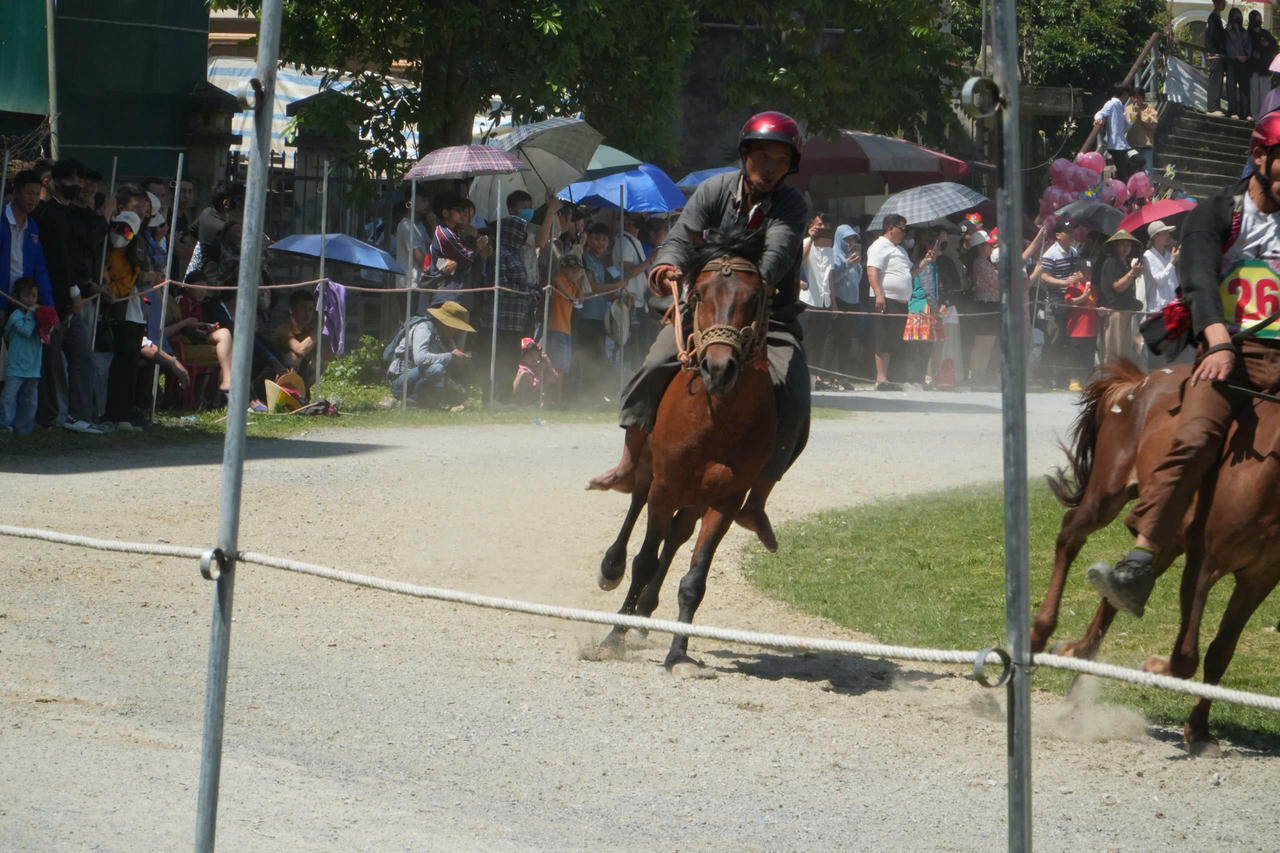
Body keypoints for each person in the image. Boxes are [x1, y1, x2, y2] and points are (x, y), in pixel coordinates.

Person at [587, 110, 810, 551]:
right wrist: (667, 263)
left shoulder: (792, 204)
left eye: (780, 162)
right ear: (745, 154)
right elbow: (680, 234)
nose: (769, 168)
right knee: (655, 361)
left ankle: (756, 500)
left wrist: (751, 285)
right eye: (762, 157)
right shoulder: (713, 190)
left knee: (795, 392)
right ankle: (630, 463)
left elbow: (780, 252)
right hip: (706, 306)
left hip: (767, 312)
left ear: (790, 167)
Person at [1088, 111, 1280, 617]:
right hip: (1228, 356)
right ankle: (1142, 558)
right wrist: (1216, 338)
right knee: (1193, 436)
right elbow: (1196, 276)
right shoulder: (1219, 212)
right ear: (1260, 157)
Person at [32, 158, 103, 433]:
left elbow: (76, 254)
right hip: (55, 300)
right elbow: (59, 260)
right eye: (72, 180)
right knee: (51, 362)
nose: (78, 185)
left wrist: (86, 283)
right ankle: (48, 418)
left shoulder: (68, 214)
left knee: (81, 358)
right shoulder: (50, 214)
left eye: (79, 180)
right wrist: (73, 291)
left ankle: (79, 415)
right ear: (55, 182)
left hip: (72, 297)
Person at [386, 300, 474, 406]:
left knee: (450, 378)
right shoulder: (424, 328)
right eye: (454, 327)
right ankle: (414, 400)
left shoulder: (446, 338)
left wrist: (461, 360)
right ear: (445, 323)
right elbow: (421, 359)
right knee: (437, 369)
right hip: (401, 381)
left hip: (419, 378)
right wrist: (451, 356)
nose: (456, 331)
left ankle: (430, 400)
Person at [866, 213, 919, 390]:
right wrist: (879, 294)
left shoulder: (900, 249)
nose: (905, 233)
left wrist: (925, 263)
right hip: (885, 298)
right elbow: (872, 271)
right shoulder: (879, 245)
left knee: (895, 340)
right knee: (883, 338)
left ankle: (889, 377)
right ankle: (880, 378)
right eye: (902, 229)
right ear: (891, 228)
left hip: (901, 301)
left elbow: (908, 274)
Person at [1, 170, 55, 311]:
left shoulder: (32, 227)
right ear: (16, 192)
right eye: (29, 193)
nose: (34, 199)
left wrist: (49, 306)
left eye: (37, 194)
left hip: (22, 306)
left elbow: (39, 267)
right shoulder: (1, 219)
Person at [1, 278, 44, 433]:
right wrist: (33, 316)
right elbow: (26, 331)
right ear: (18, 298)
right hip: (16, 365)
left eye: (34, 296)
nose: (31, 300)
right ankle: (5, 425)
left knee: (30, 400)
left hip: (33, 366)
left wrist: (44, 318)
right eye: (26, 296)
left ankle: (24, 428)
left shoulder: (40, 317)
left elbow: (47, 334)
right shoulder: (16, 316)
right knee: (8, 397)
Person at [1094, 230, 1143, 363]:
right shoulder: (1111, 262)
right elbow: (1118, 287)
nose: (1126, 247)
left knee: (1124, 353)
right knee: (1113, 352)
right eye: (1122, 244)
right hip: (1115, 311)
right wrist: (1132, 273)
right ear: (1115, 246)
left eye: (1128, 244)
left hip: (1126, 310)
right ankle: (1109, 381)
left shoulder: (1126, 262)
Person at [799, 213, 836, 387]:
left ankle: (820, 377)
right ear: (811, 226)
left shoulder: (829, 248)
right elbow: (799, 261)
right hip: (808, 300)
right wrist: (812, 238)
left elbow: (829, 277)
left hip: (824, 300)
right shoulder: (806, 243)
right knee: (807, 340)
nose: (823, 229)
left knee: (822, 341)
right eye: (819, 225)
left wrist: (833, 302)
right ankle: (805, 376)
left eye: (826, 227)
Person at [829, 224, 867, 379]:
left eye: (853, 240)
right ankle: (831, 375)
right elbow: (834, 278)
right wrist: (847, 265)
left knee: (848, 339)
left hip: (853, 302)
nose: (850, 243)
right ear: (839, 239)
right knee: (836, 338)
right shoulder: (834, 254)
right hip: (839, 300)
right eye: (847, 239)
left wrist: (857, 266)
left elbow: (857, 279)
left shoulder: (851, 255)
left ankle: (843, 375)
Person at [964, 229, 1001, 386]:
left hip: (991, 304)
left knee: (988, 343)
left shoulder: (986, 263)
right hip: (984, 305)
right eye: (987, 245)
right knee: (981, 344)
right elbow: (997, 283)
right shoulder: (980, 262)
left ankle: (980, 376)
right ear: (980, 246)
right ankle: (976, 376)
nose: (990, 248)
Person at [545, 248, 584, 382]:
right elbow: (556, 278)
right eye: (573, 270)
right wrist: (571, 297)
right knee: (556, 368)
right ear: (564, 269)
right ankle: (553, 398)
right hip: (557, 328)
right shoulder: (561, 279)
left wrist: (577, 281)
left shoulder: (571, 285)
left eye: (578, 270)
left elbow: (580, 296)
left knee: (561, 368)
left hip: (565, 330)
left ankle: (557, 399)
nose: (576, 272)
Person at [271, 289, 323, 383]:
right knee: (294, 358)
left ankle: (303, 392)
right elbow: (300, 350)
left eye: (310, 309)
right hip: (276, 378)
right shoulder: (284, 330)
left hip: (299, 380)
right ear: (292, 309)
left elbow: (325, 356)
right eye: (303, 308)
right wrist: (318, 332)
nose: (307, 313)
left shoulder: (308, 333)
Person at [1062, 272, 1098, 393]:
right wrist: (1084, 296)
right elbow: (1069, 301)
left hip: (1091, 329)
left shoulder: (1094, 287)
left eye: (1089, 270)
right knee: (1075, 356)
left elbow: (1095, 304)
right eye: (1083, 271)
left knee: (1088, 357)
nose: (1087, 274)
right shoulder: (1073, 285)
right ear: (1078, 273)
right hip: (1076, 329)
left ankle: (1086, 381)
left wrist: (1100, 310)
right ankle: (1073, 381)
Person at [1092, 84, 1135, 182]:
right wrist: (1098, 119)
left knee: (1131, 165)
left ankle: (1122, 187)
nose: (1127, 97)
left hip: (1122, 145)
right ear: (1124, 94)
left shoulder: (1120, 106)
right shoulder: (1112, 104)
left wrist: (1133, 117)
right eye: (1127, 94)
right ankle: (1121, 191)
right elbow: (1100, 113)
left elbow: (1126, 127)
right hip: (1115, 145)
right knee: (1123, 172)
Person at [394, 185, 429, 292]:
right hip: (407, 285)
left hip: (417, 282)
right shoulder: (406, 226)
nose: (427, 204)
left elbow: (430, 247)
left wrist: (433, 225)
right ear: (411, 202)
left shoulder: (420, 225)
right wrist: (435, 271)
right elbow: (420, 258)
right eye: (423, 201)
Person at [1142, 220, 1180, 313]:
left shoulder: (1168, 255)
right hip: (1158, 308)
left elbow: (1173, 281)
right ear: (1156, 236)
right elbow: (1159, 280)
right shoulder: (1148, 256)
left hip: (1173, 305)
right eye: (1165, 233)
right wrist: (1172, 262)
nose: (1168, 235)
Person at [1248, 11, 1279, 121]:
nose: (1259, 20)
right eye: (1257, 18)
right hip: (1253, 69)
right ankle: (1255, 115)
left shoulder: (1266, 34)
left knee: (1265, 94)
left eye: (1260, 18)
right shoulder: (1248, 34)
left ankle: (1264, 115)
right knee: (1254, 93)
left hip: (1265, 69)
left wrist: (1267, 45)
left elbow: (1275, 47)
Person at [1125, 89, 1159, 177]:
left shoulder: (1149, 108)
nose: (1136, 100)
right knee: (1131, 172)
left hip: (1145, 146)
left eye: (1138, 97)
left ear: (1143, 98)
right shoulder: (1127, 109)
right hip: (1131, 146)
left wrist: (1140, 114)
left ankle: (1148, 190)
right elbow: (1127, 125)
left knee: (1148, 171)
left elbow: (1153, 124)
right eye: (1133, 98)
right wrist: (1133, 114)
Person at [1225, 8, 1252, 120]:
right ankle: (1232, 111)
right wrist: (1236, 56)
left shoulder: (1244, 32)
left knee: (1244, 89)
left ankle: (1245, 113)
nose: (1238, 18)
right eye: (1235, 16)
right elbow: (1226, 46)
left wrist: (1246, 56)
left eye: (1239, 16)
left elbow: (1249, 45)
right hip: (1232, 62)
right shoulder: (1227, 31)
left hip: (1244, 63)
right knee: (1231, 87)